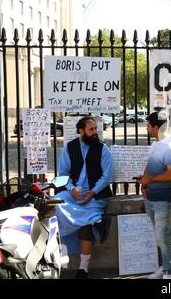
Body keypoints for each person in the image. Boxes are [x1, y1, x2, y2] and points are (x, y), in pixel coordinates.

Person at [56, 116, 113, 279]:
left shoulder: (103, 149)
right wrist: (71, 188)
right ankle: (97, 219)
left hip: (95, 195)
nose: (95, 132)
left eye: (96, 128)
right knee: (58, 202)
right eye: (91, 129)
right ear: (81, 131)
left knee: (86, 227)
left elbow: (106, 176)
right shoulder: (69, 148)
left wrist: (93, 192)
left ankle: (83, 269)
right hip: (75, 194)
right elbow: (63, 174)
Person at [137, 111, 171, 279]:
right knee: (161, 234)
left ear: (156, 127)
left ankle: (169, 271)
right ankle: (165, 267)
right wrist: (144, 182)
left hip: (164, 198)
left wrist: (151, 179)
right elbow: (149, 164)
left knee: (162, 235)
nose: (146, 129)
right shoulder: (156, 144)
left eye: (148, 126)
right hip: (150, 196)